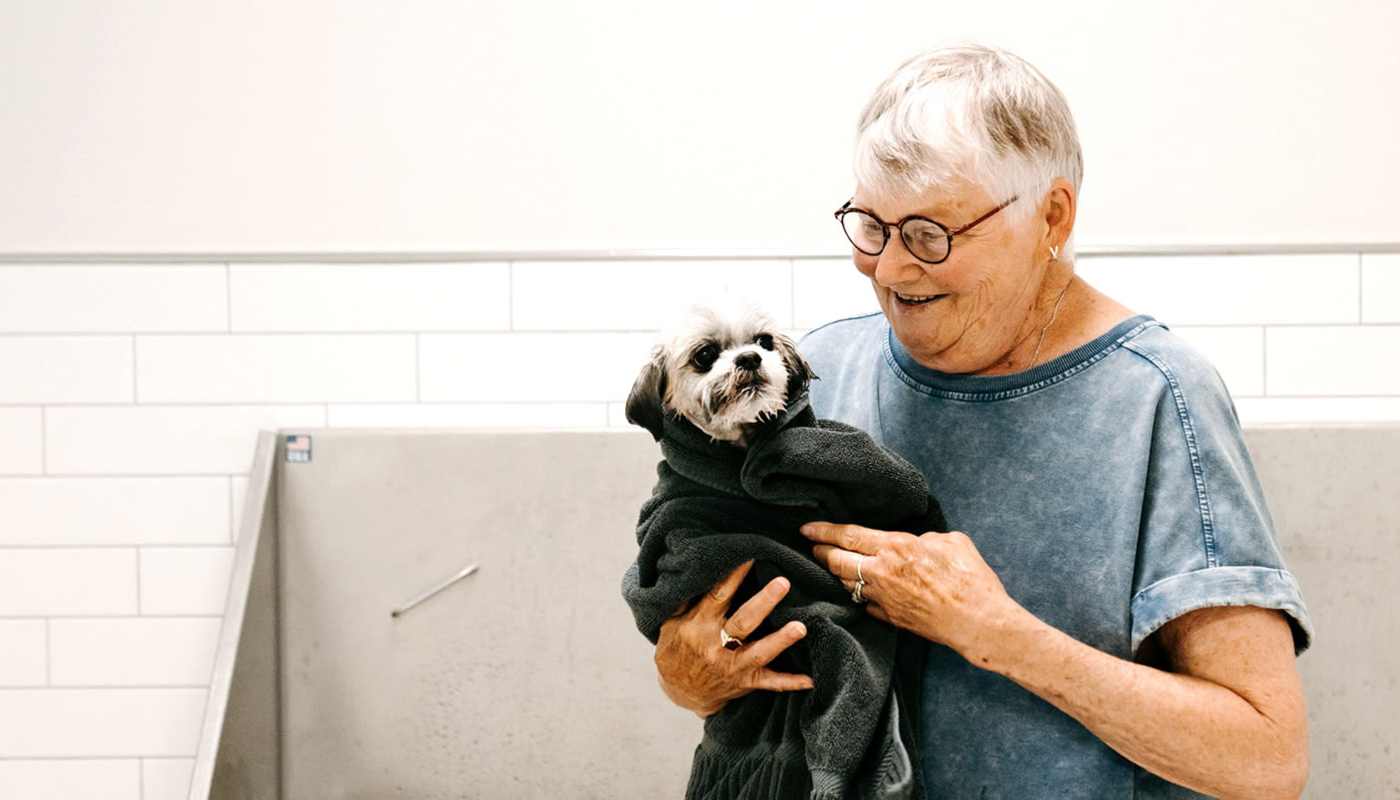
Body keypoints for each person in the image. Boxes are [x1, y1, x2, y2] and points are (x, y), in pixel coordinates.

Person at [651, 44, 1314, 799]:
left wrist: (994, 633)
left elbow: (1265, 761)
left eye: (931, 234)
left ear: (1051, 217)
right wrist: (690, 671)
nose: (892, 269)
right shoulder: (820, 372)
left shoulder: (1159, 401)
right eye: (872, 225)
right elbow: (706, 637)